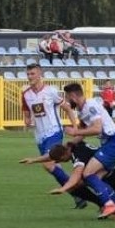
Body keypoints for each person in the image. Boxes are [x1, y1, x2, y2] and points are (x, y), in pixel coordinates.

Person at [21, 141, 115, 218]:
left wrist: (63, 189)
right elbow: (52, 155)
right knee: (78, 185)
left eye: (61, 160)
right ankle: (103, 204)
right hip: (102, 176)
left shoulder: (77, 157)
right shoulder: (72, 146)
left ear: (64, 155)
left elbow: (76, 176)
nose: (62, 162)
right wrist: (34, 160)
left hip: (113, 175)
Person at [21, 63, 86, 209]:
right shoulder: (25, 94)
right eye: (28, 74)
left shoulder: (50, 91)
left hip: (54, 132)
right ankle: (79, 193)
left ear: (39, 74)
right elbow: (26, 113)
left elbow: (67, 108)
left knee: (48, 163)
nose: (29, 77)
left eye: (32, 74)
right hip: (39, 136)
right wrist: (27, 121)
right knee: (51, 167)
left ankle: (78, 194)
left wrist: (75, 127)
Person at [61, 82, 115, 219]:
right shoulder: (81, 110)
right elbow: (83, 132)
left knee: (87, 173)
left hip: (114, 143)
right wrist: (71, 143)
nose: (67, 102)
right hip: (110, 144)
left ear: (73, 96)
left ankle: (110, 205)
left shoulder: (90, 106)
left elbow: (97, 128)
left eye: (67, 98)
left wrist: (74, 132)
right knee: (95, 178)